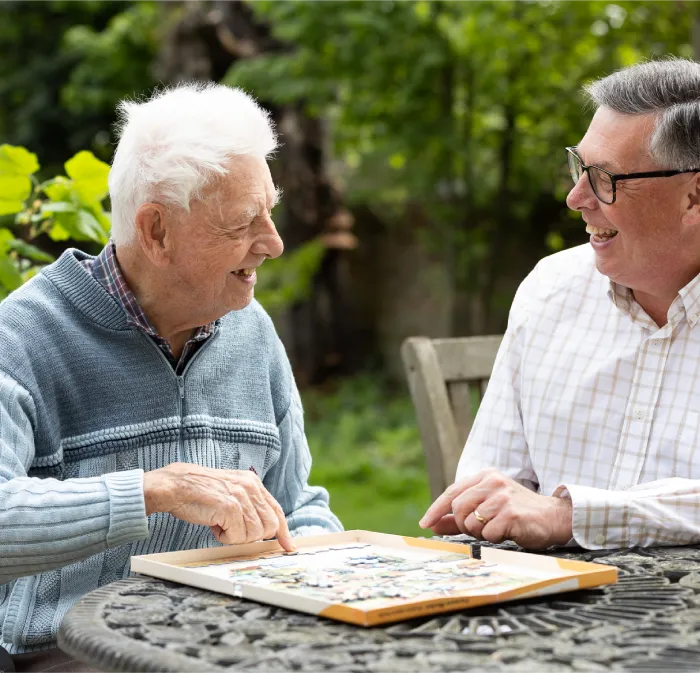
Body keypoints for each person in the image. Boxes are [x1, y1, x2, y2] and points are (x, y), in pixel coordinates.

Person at [0, 83, 342, 668]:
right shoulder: (23, 338)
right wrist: (155, 491)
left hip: (233, 649)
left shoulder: (251, 331)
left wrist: (336, 569)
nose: (274, 244)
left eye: (270, 214)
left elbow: (298, 503)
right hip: (75, 657)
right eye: (242, 223)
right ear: (156, 231)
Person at [420, 58, 700, 552]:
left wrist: (569, 517)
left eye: (606, 179)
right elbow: (492, 483)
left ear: (694, 196)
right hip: (551, 613)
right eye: (580, 167)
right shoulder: (551, 288)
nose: (576, 198)